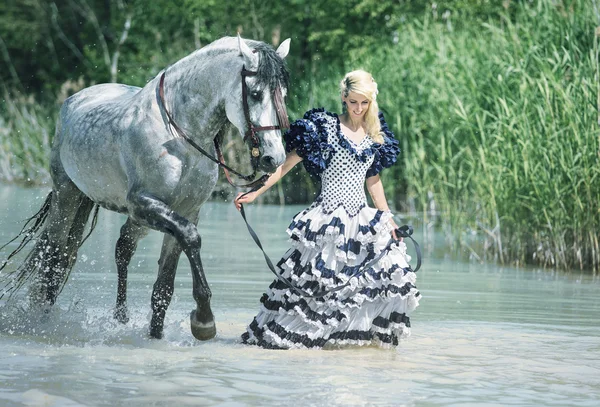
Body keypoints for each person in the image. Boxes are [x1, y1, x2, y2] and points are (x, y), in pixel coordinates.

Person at [234, 69, 420, 349]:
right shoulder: (323, 128)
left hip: (363, 221)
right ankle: (306, 343)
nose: (358, 109)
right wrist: (254, 192)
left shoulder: (374, 133)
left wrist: (390, 221)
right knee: (317, 290)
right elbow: (285, 165)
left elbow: (373, 181)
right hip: (327, 222)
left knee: (379, 283)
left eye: (364, 103)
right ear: (343, 98)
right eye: (353, 102)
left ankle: (352, 347)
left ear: (371, 102)